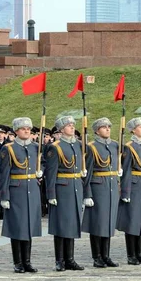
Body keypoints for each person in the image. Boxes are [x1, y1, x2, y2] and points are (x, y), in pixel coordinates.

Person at [0, 117, 43, 273]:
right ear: (16, 131)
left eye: (28, 129)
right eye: (23, 129)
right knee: (18, 227)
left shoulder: (35, 147)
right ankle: (18, 262)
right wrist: (4, 196)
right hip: (16, 190)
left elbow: (42, 162)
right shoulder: (9, 149)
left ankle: (27, 261)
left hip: (32, 188)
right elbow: (4, 174)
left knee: (29, 226)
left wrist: (40, 172)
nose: (26, 131)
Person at [45, 115, 85, 271]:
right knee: (61, 225)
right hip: (62, 188)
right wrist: (51, 194)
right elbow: (51, 172)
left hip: (75, 186)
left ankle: (70, 259)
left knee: (72, 224)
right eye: (68, 125)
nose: (72, 127)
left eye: (73, 125)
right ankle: (59, 260)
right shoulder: (56, 147)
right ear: (61, 129)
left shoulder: (78, 145)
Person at [83, 117, 120, 268]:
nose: (107, 129)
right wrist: (88, 194)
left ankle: (106, 255)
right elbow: (88, 172)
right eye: (104, 127)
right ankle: (97, 256)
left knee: (109, 222)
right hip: (98, 187)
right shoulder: (91, 147)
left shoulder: (115, 145)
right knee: (97, 223)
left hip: (111, 186)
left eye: (109, 127)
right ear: (97, 131)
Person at [117, 117, 141, 265]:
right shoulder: (129, 147)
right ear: (133, 129)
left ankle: (140, 252)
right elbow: (126, 171)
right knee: (132, 220)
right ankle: (131, 254)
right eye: (140, 127)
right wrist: (125, 192)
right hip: (134, 185)